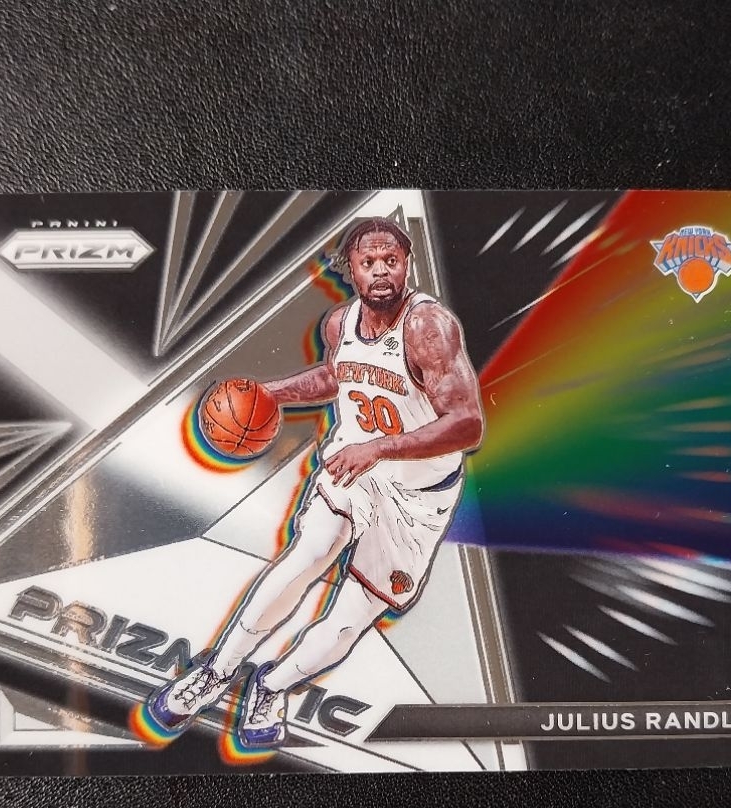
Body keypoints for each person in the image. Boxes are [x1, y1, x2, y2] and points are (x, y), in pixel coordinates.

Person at [144, 217, 484, 748]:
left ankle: (271, 687)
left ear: (407, 265)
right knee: (306, 557)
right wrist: (273, 393)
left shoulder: (427, 327)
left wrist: (379, 447)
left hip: (416, 496)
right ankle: (215, 672)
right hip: (353, 468)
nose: (380, 272)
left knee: (350, 620)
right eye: (368, 262)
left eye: (391, 261)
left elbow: (467, 423)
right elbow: (336, 375)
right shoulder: (340, 323)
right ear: (352, 270)